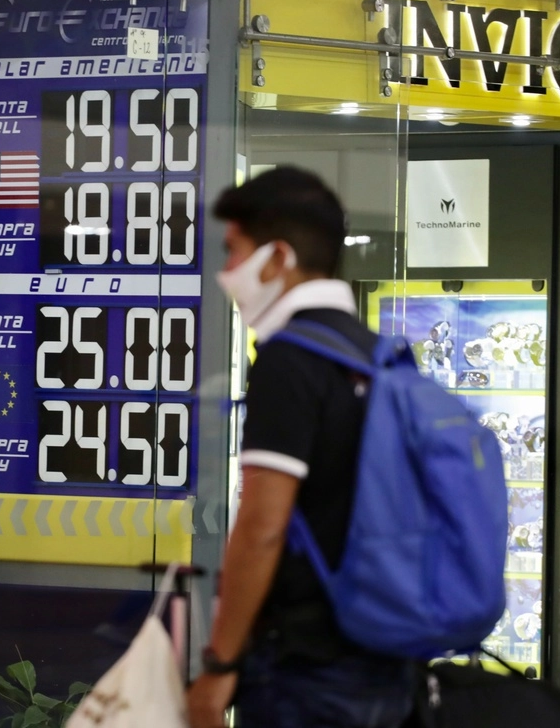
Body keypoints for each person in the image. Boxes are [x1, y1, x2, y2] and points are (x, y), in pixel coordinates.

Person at [186, 167, 413, 728]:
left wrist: (219, 668)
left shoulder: (289, 362)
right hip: (383, 654)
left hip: (308, 668)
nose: (227, 273)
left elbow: (263, 525)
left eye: (235, 252)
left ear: (279, 258)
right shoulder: (378, 355)